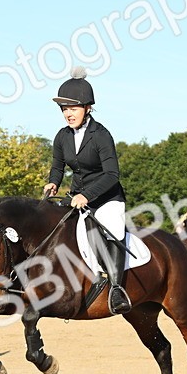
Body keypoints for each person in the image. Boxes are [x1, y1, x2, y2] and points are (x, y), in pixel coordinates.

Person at [42, 68, 131, 314]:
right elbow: (58, 167)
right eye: (64, 109)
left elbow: (112, 174)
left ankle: (116, 289)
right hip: (77, 198)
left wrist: (87, 195)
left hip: (107, 197)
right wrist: (53, 182)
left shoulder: (101, 135)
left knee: (112, 229)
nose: (68, 114)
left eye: (73, 108)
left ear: (87, 108)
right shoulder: (62, 136)